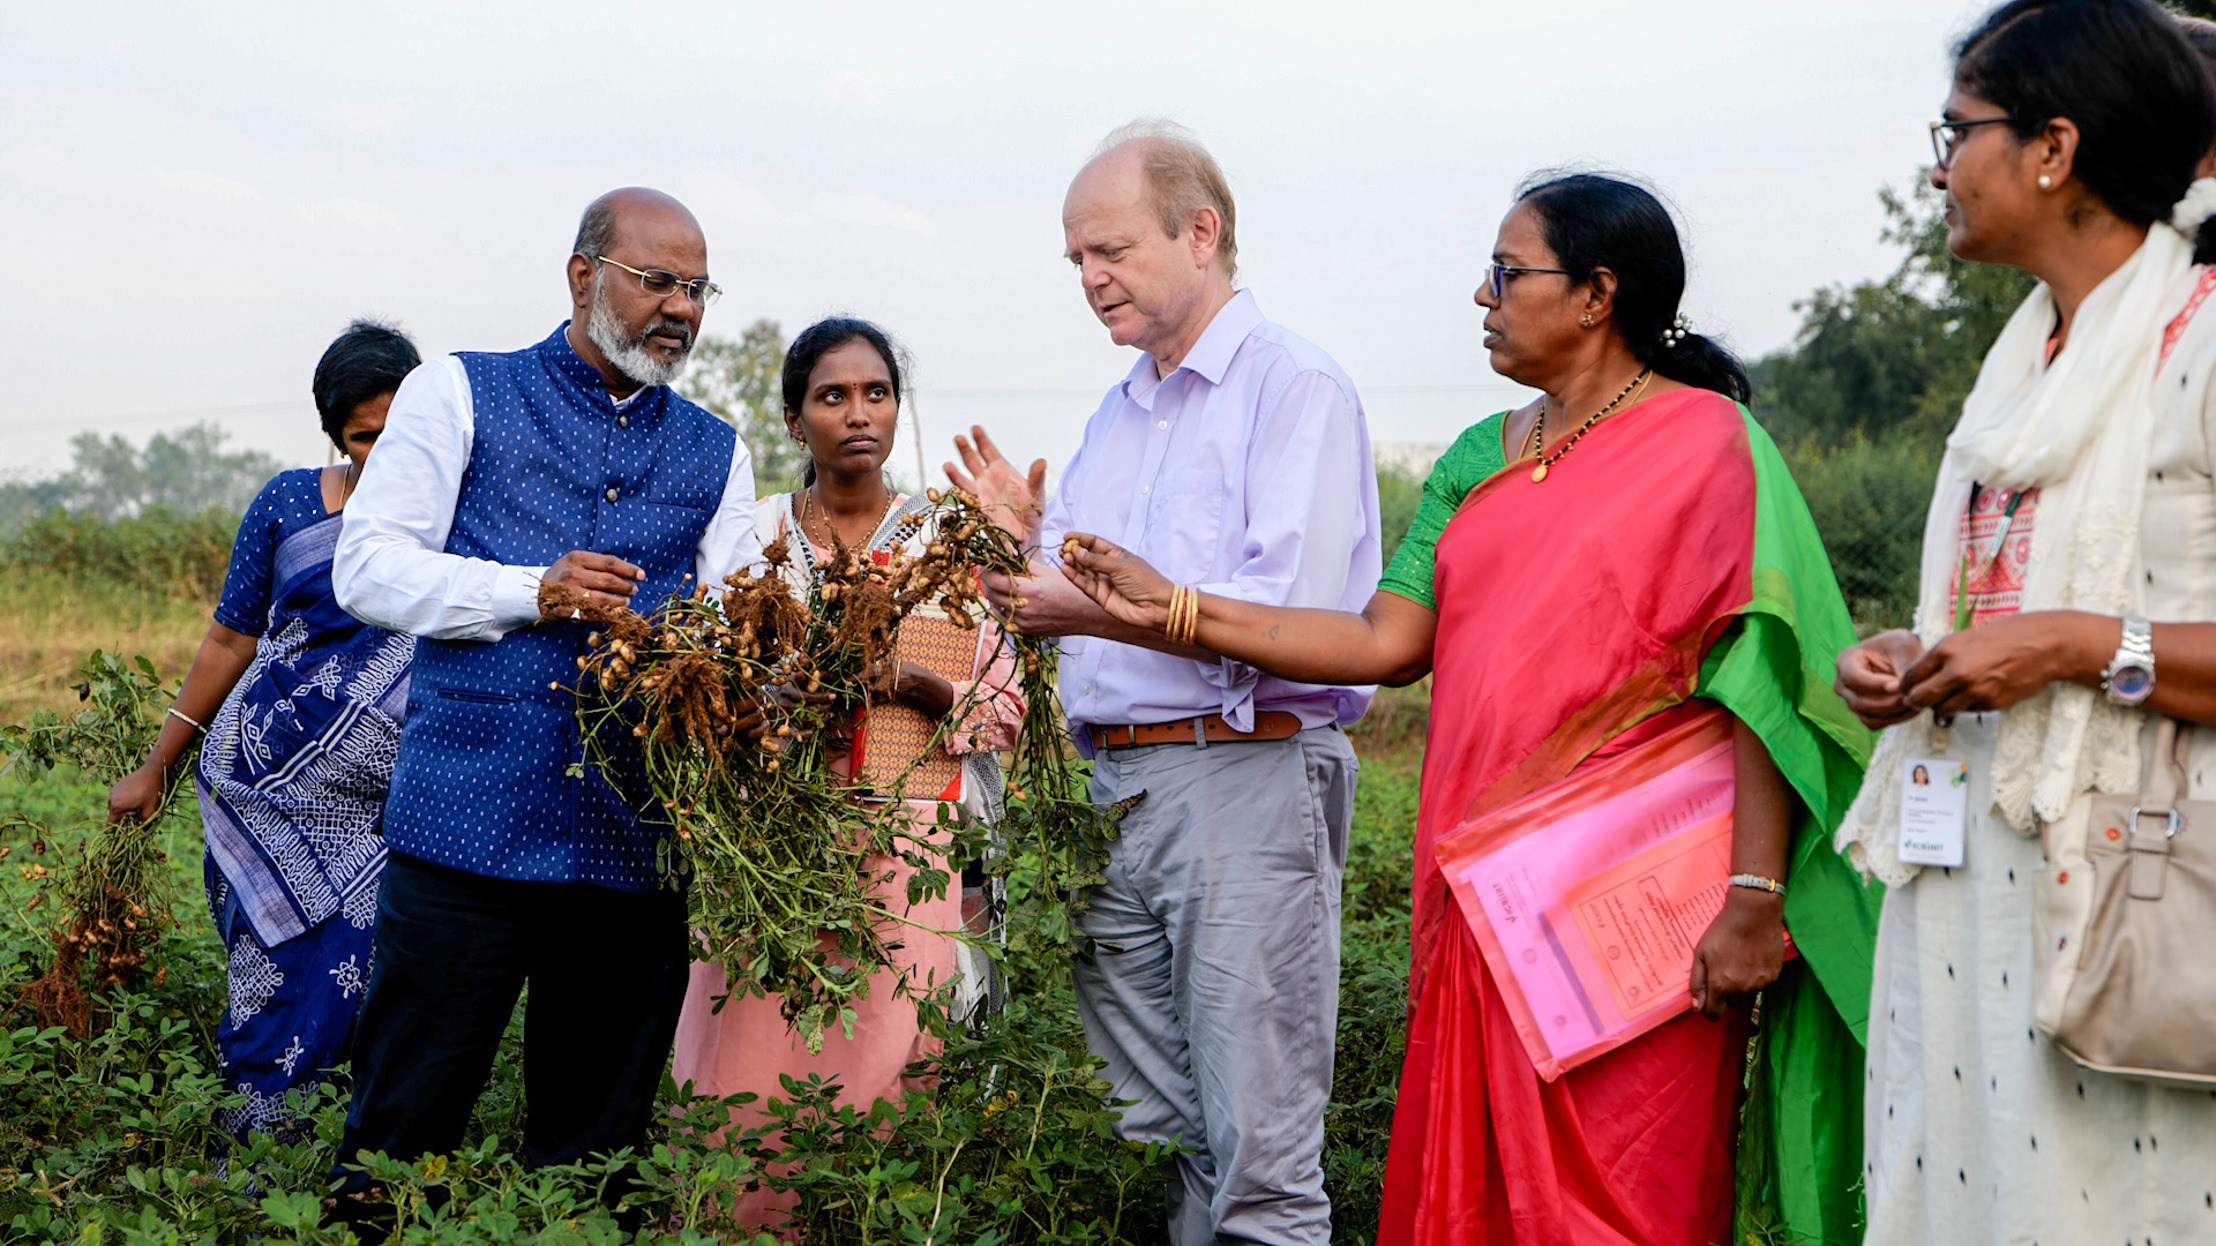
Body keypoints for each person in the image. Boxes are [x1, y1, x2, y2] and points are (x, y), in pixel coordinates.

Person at [1055, 173, 1878, 1246]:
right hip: (1490, 893)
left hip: (1637, 909)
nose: (1481, 295)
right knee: (1479, 1191)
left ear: (1595, 293)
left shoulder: (1707, 447)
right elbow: (1379, 644)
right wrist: (1172, 604)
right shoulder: (1476, 458)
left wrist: (1754, 896)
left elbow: (1762, 683)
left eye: (1505, 272)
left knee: (1634, 1196)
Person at [947, 119, 1380, 1245]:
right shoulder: (1119, 410)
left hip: (1242, 774)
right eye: (1076, 259)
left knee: (1260, 1153)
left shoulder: (1291, 389)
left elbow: (1289, 623)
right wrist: (1021, 547)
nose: (1090, 279)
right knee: (1162, 1131)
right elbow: (1081, 599)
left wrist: (1081, 603)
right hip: (1114, 791)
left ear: (1200, 232)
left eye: (1112, 251)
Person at [1830, 2, 2216, 1240]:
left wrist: (2068, 646)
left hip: (2132, 899)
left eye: (1956, 133)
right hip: (1970, 891)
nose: (1938, 169)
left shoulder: (2199, 341)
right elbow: (2001, 594)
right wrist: (1918, 653)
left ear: (2052, 148)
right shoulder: (2023, 361)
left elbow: (2066, 631)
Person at [327, 188, 759, 1201]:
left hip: (631, 842)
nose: (681, 308)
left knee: (595, 1151)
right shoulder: (459, 391)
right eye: (657, 281)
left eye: (698, 290)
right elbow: (367, 568)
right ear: (582, 275)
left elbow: (732, 622)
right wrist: (531, 590)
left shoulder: (718, 449)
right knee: (403, 1125)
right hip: (462, 833)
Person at [669, 317, 1023, 1228]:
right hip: (773, 852)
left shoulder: (946, 545)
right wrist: (770, 702)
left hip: (907, 848)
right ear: (795, 421)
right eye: (833, 397)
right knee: (749, 1077)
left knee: (893, 1071)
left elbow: (1003, 707)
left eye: (877, 393)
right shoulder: (755, 539)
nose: (858, 413)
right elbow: (703, 687)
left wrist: (912, 684)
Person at [105, 321, 419, 1144]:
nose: (384, 453)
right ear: (335, 435)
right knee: (271, 983)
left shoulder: (457, 520)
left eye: (401, 432)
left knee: (383, 993)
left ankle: (352, 1175)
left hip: (390, 812)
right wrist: (157, 766)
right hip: (263, 793)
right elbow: (230, 640)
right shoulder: (288, 503)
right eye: (364, 437)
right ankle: (253, 1173)